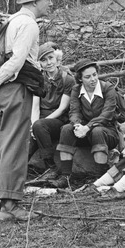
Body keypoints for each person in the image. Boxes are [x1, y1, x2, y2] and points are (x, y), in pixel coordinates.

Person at [0, 0, 56, 222]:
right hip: (16, 88)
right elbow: (17, 60)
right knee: (14, 144)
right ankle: (9, 204)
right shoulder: (29, 25)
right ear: (35, 1)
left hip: (4, 90)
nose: (50, 3)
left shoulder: (11, 20)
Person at [46, 59, 120, 189]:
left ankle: (100, 177)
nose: (93, 79)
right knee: (66, 129)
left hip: (107, 132)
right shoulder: (76, 89)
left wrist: (88, 127)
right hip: (84, 131)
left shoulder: (107, 88)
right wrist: (77, 125)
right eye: (88, 77)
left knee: (97, 131)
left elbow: (107, 114)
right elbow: (74, 111)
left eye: (94, 75)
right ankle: (65, 177)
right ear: (80, 79)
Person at [28, 42, 75, 180]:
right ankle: (17, 173)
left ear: (57, 59)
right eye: (43, 60)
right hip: (41, 119)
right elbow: (35, 105)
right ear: (39, 63)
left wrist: (39, 124)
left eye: (50, 58)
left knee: (39, 126)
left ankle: (51, 167)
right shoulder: (38, 79)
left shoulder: (67, 79)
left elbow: (62, 108)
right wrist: (33, 124)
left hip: (58, 120)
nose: (48, 63)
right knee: (26, 142)